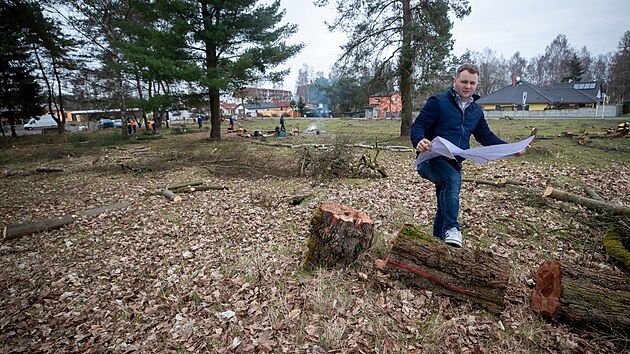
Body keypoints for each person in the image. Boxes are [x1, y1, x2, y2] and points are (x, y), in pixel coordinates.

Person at [410, 64, 521, 248]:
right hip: (430, 159)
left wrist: (509, 148)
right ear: (455, 81)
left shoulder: (476, 111)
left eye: (472, 83)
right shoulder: (438, 102)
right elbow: (418, 126)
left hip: (454, 162)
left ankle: (436, 245)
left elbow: (485, 136)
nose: (468, 86)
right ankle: (453, 229)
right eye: (464, 81)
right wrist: (419, 140)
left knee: (444, 205)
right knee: (451, 179)